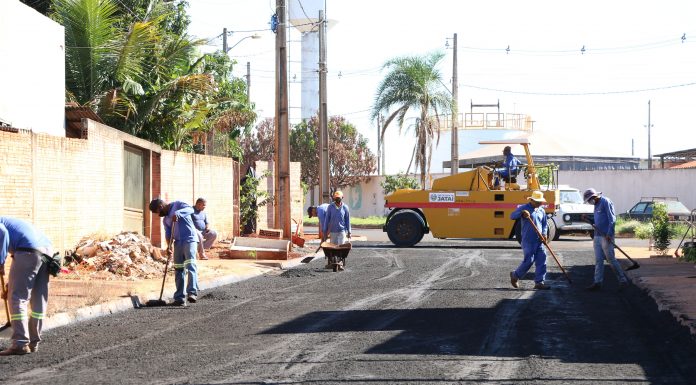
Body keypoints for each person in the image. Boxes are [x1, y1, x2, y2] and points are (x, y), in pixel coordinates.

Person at [0, 217, 53, 355]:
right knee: (38, 300)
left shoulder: (2, 224)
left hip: (28, 251)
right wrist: (10, 285)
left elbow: (2, 232)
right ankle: (33, 342)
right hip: (47, 252)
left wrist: (0, 261)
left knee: (17, 298)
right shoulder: (8, 220)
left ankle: (20, 343)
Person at [149, 198, 199, 305]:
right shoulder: (165, 219)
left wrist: (179, 213)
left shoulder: (178, 204)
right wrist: (169, 246)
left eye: (158, 212)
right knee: (178, 268)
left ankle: (192, 293)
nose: (159, 215)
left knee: (190, 265)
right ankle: (179, 298)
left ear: (161, 207)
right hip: (178, 243)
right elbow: (168, 234)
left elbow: (191, 209)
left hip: (189, 239)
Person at [583, 188, 628, 291]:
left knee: (610, 259)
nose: (590, 202)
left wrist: (609, 233)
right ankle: (597, 282)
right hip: (597, 236)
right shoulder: (596, 205)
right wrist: (587, 219)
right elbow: (597, 220)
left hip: (606, 236)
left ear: (594, 196)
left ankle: (623, 280)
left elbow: (612, 219)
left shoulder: (605, 202)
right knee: (598, 260)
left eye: (590, 199)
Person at [509, 191, 551, 290]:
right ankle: (515, 275)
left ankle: (539, 282)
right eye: (537, 202)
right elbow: (512, 216)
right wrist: (521, 213)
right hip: (528, 240)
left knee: (542, 259)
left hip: (539, 240)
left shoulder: (541, 210)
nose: (540, 203)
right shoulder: (524, 208)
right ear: (531, 200)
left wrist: (544, 234)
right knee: (529, 260)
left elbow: (544, 224)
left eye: (540, 201)